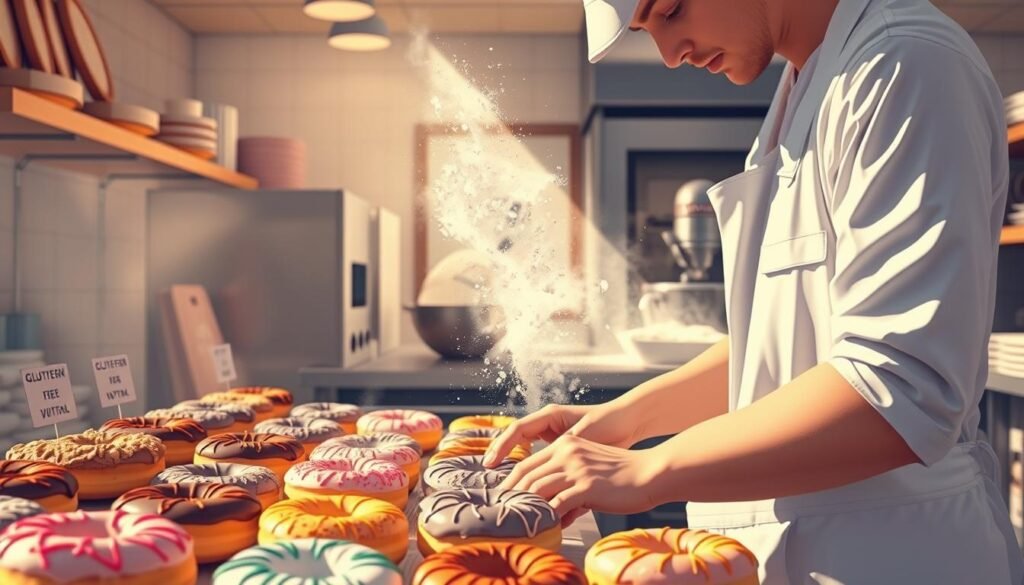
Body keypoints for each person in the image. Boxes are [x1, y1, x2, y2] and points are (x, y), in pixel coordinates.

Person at [483, 0, 1024, 582]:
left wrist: (648, 469)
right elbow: (777, 347)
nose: (670, 54)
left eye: (672, 9)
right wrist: (625, 419)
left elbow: (899, 386)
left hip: (895, 556)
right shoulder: (803, 92)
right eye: (647, 29)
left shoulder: (905, 66)